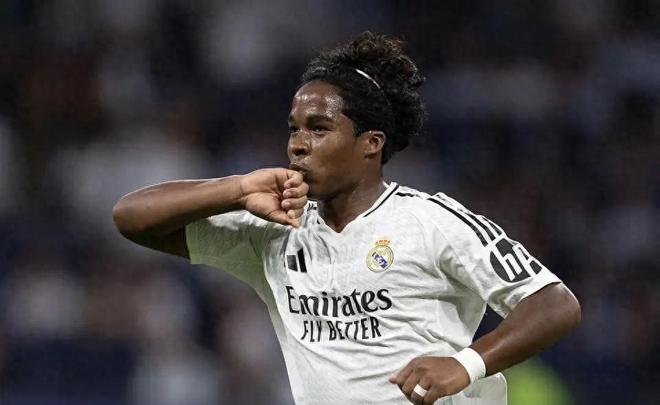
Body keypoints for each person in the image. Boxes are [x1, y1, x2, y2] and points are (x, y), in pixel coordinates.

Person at [112, 32, 581, 405]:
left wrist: (465, 364)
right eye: (294, 129)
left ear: (370, 144)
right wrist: (236, 188)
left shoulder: (432, 221)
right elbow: (131, 218)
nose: (298, 144)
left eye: (319, 128)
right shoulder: (275, 233)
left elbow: (555, 304)